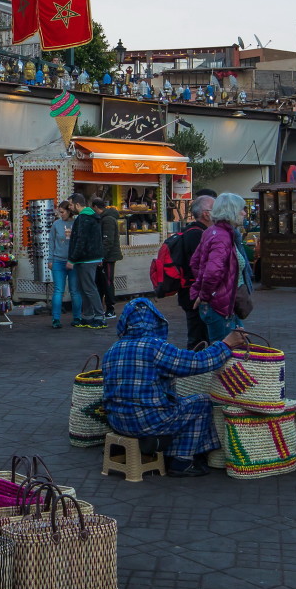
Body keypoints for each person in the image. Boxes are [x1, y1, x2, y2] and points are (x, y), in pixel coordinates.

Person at [102, 298, 234, 477]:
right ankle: (182, 461)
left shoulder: (112, 350)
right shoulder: (155, 347)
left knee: (174, 403)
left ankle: (160, 447)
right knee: (201, 402)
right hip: (147, 422)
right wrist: (226, 345)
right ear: (155, 322)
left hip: (117, 421)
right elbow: (196, 362)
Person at [189, 193, 249, 343]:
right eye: (242, 209)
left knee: (236, 346)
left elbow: (196, 263)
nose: (244, 213)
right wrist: (206, 294)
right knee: (223, 352)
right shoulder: (222, 236)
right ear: (232, 210)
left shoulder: (215, 232)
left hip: (224, 303)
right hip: (220, 305)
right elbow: (212, 271)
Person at [175, 195, 214, 345]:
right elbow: (200, 265)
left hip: (191, 291)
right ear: (206, 214)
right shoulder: (197, 234)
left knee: (200, 333)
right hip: (193, 292)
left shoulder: (193, 230)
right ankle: (195, 365)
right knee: (198, 336)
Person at [68, 198, 107, 328]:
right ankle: (89, 315)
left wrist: (72, 258)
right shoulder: (93, 217)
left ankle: (99, 316)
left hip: (85, 258)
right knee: (86, 287)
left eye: (71, 204)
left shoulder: (83, 218)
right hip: (92, 257)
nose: (70, 207)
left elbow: (80, 240)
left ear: (77, 204)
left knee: (89, 288)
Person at [48, 201, 76, 329]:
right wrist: (50, 259)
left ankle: (77, 317)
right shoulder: (56, 224)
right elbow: (51, 243)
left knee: (74, 290)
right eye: (59, 212)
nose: (61, 215)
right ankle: (56, 318)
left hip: (73, 261)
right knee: (58, 290)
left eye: (62, 212)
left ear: (69, 211)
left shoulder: (76, 223)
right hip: (58, 260)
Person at [96, 198, 123, 318]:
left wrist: (102, 257)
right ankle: (103, 307)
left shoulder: (107, 220)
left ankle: (110, 308)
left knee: (107, 282)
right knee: (102, 282)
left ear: (96, 207)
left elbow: (107, 241)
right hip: (106, 257)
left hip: (108, 258)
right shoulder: (107, 219)